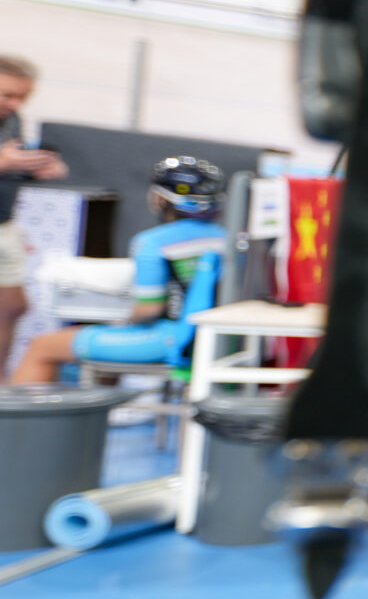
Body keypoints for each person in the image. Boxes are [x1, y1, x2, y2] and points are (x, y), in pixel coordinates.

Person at [9, 158, 225, 385]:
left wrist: (119, 321)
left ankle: (19, 420)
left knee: (43, 346)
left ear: (161, 199)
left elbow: (149, 309)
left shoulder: (151, 243)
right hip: (210, 340)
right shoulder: (224, 237)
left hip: (171, 339)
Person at [0, 55, 68, 372]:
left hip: (5, 224)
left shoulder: (11, 120)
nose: (15, 103)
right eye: (8, 95)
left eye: (23, 97)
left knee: (12, 307)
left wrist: (33, 169)